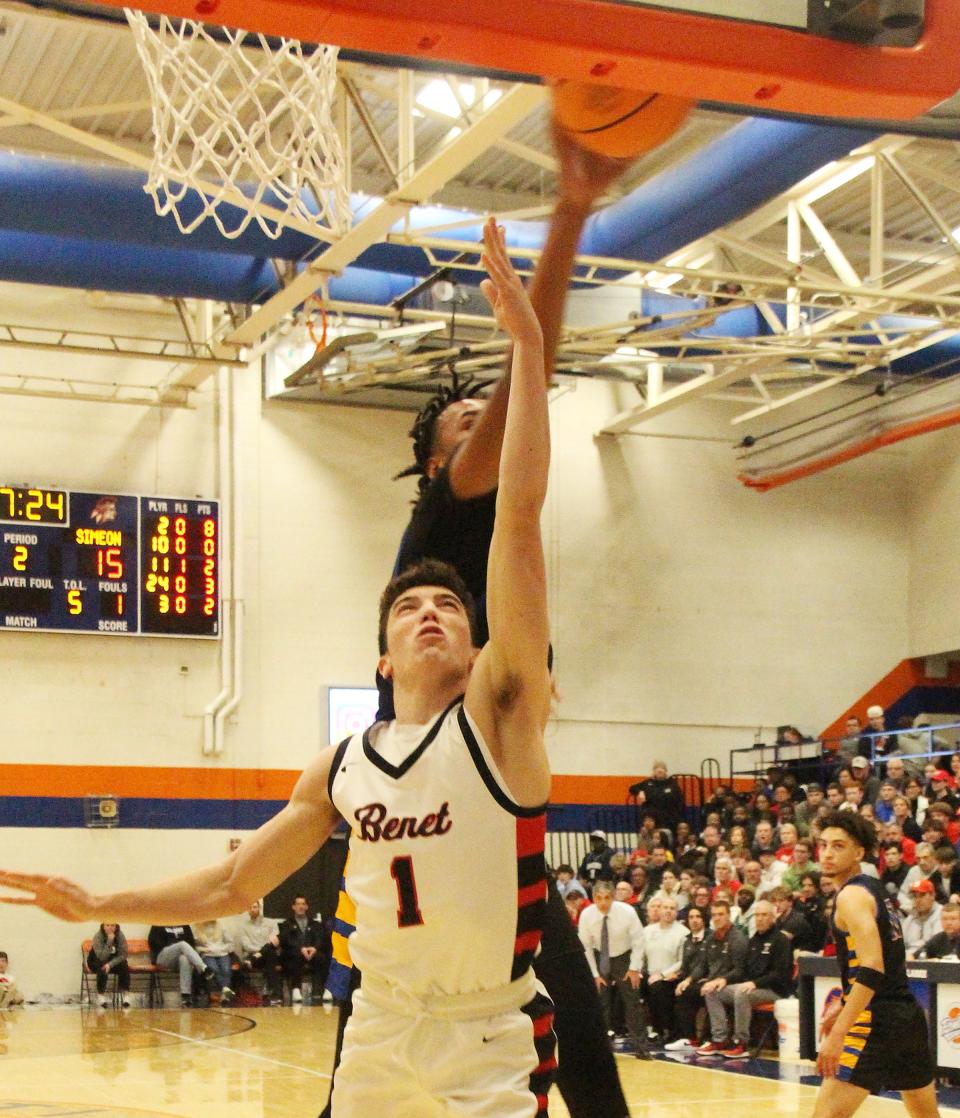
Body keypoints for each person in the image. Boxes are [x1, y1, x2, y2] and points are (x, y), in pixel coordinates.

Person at [0, 219, 558, 1118]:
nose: (431, 612)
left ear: (475, 647)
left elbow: (520, 515)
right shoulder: (343, 766)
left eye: (450, 606)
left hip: (484, 1039)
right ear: (383, 654)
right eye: (411, 606)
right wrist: (100, 897)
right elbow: (231, 884)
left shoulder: (499, 717)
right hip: (378, 1030)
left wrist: (527, 349)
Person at [814, 809, 938, 1118]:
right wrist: (843, 1004)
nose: (827, 853)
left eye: (838, 845)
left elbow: (872, 968)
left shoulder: (851, 896)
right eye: (823, 844)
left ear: (859, 852)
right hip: (906, 1017)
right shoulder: (874, 888)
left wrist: (840, 1032)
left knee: (826, 1115)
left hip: (875, 1021)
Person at [702, 898, 793, 1059]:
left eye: (764, 915)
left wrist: (754, 983)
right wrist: (722, 980)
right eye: (757, 915)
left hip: (775, 990)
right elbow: (741, 970)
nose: (759, 918)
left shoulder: (781, 940)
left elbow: (780, 973)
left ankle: (741, 1042)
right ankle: (720, 1039)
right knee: (712, 991)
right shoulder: (753, 941)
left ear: (773, 917)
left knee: (741, 993)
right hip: (752, 987)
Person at [577, 881, 650, 1060]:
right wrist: (594, 974)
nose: (603, 903)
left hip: (623, 956)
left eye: (607, 898)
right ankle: (600, 1048)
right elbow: (585, 947)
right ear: (593, 898)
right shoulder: (586, 914)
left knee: (632, 1001)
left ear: (614, 897)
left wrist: (634, 968)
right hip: (598, 954)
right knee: (600, 1002)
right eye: (599, 898)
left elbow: (639, 941)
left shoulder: (627, 912)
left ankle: (641, 1048)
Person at [694, 899, 749, 1055]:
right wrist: (689, 979)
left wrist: (720, 980)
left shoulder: (738, 938)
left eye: (721, 914)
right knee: (700, 990)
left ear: (729, 915)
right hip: (716, 981)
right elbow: (702, 964)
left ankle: (740, 1041)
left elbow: (740, 971)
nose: (717, 918)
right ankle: (718, 1040)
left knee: (712, 989)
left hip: (736, 983)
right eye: (714, 915)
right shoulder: (711, 938)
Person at [663, 905, 709, 1050]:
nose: (694, 920)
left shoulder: (711, 937)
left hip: (705, 979)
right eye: (691, 917)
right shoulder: (687, 940)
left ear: (704, 919)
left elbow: (704, 964)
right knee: (661, 987)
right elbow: (685, 965)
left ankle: (691, 1038)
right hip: (688, 977)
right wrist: (677, 975)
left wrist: (687, 980)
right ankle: (670, 1032)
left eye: (698, 917)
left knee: (685, 992)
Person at [148, 924, 215, 1009]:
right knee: (182, 944)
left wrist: (181, 949)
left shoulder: (184, 925)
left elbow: (191, 943)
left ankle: (185, 996)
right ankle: (204, 968)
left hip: (178, 959)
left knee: (184, 959)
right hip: (163, 956)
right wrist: (173, 946)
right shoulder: (158, 924)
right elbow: (153, 943)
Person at [278, 895, 328, 1005]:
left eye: (303, 904)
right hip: (294, 953)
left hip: (311, 953)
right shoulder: (287, 924)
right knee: (294, 956)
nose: (301, 906)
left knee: (322, 958)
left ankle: (322, 990)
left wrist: (314, 948)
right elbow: (286, 940)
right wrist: (301, 949)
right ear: (293, 907)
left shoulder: (314, 924)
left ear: (307, 907)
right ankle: (296, 989)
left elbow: (319, 938)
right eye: (298, 904)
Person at [233, 900, 283, 1005]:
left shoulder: (270, 923)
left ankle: (274, 994)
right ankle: (276, 994)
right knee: (269, 952)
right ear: (247, 910)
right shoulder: (243, 926)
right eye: (250, 907)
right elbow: (246, 945)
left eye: (255, 907)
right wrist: (261, 951)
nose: (253, 909)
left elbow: (275, 941)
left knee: (271, 952)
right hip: (253, 955)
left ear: (259, 908)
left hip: (263, 957)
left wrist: (261, 952)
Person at [629, 761, 685, 833]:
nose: (659, 770)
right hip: (653, 820)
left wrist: (678, 817)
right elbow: (632, 788)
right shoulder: (647, 783)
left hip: (669, 819)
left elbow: (680, 801)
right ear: (654, 771)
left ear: (665, 771)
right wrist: (640, 792)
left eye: (662, 768)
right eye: (657, 768)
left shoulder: (672, 783)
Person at [87, 922, 131, 1008]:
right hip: (96, 960)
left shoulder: (120, 935)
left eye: (113, 925)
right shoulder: (98, 936)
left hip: (111, 961)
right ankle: (100, 995)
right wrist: (110, 941)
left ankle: (125, 994)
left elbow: (123, 955)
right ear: (103, 926)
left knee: (124, 965)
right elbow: (102, 957)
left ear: (116, 926)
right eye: (107, 925)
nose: (110, 928)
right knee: (102, 967)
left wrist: (110, 964)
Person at [192, 918, 236, 1005]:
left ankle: (225, 995)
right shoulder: (196, 927)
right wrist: (203, 949)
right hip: (207, 954)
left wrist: (221, 949)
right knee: (214, 969)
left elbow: (230, 943)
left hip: (222, 953)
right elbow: (194, 946)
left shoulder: (222, 926)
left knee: (226, 969)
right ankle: (226, 992)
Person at [902, 880, 943, 958]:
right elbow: (901, 944)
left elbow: (937, 946)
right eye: (915, 896)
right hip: (908, 960)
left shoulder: (941, 914)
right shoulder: (910, 919)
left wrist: (914, 955)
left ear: (933, 896)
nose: (918, 900)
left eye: (922, 895)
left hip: (931, 960)